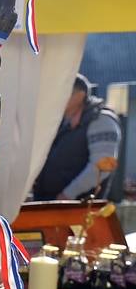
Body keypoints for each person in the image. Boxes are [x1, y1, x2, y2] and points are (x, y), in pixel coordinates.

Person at [30, 73, 123, 201]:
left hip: (77, 209)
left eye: (62, 93)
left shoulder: (102, 121)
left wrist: (67, 195)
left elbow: (101, 167)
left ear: (80, 95)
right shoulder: (61, 120)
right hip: (51, 203)